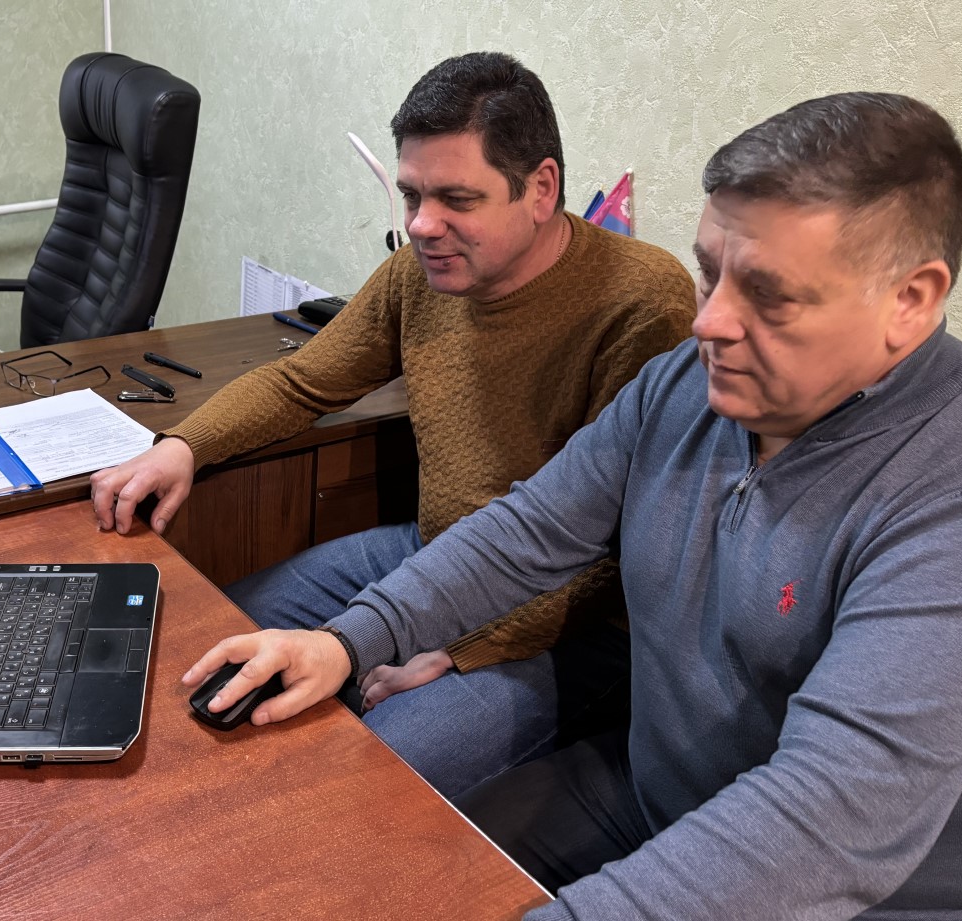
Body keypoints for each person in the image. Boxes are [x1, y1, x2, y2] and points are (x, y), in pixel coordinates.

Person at [185, 91, 962, 919]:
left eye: (767, 294)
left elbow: (824, 821)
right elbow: (530, 530)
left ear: (910, 300)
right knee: (387, 863)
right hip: (657, 791)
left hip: (860, 891)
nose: (709, 322)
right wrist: (347, 641)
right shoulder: (687, 384)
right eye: (710, 273)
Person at [89, 51, 695, 795]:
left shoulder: (642, 301)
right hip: (433, 555)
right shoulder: (423, 271)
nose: (421, 224)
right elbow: (303, 381)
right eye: (411, 194)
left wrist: (465, 648)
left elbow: (627, 552)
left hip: (574, 624)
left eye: (456, 199)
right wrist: (184, 446)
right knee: (208, 645)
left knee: (349, 781)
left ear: (541, 188)